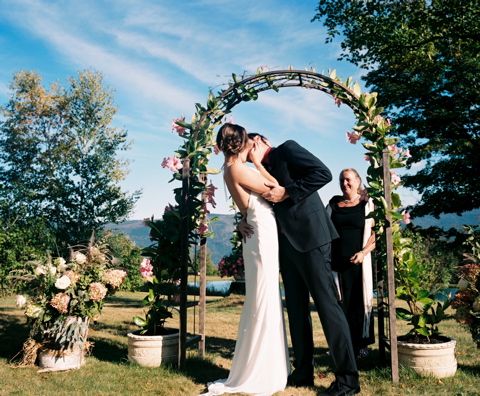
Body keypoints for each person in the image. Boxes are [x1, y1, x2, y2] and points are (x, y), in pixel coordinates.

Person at [241, 133, 361, 396]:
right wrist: (242, 219)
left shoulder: (288, 150)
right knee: (295, 311)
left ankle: (348, 380)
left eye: (250, 148)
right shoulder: (259, 170)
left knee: (328, 307)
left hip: (312, 239)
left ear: (260, 141)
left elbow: (323, 173)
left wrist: (288, 192)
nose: (248, 155)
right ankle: (303, 372)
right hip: (285, 247)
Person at [200, 123, 290, 396]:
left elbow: (244, 205)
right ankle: (260, 369)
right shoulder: (239, 168)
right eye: (248, 142)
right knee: (264, 295)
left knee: (262, 293)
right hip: (261, 232)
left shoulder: (228, 169)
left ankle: (265, 362)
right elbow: (275, 188)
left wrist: (241, 219)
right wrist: (256, 162)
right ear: (240, 145)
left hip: (254, 227)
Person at [327, 168, 376, 360]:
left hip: (360, 264)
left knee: (360, 304)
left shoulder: (368, 204)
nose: (344, 183)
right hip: (336, 264)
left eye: (348, 180)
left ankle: (362, 345)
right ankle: (340, 345)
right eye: (341, 180)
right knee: (338, 305)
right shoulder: (332, 204)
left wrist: (363, 253)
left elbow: (375, 235)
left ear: (357, 181)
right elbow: (324, 230)